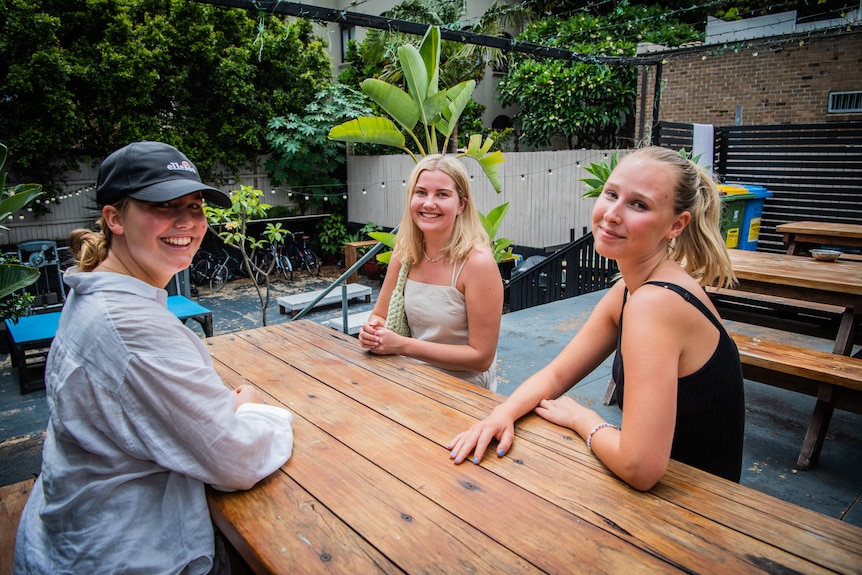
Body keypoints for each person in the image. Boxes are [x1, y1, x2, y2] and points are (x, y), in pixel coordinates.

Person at [14, 141, 295, 574]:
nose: (187, 222)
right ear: (114, 218)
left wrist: (223, 410)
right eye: (164, 206)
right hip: (127, 552)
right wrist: (251, 409)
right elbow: (234, 458)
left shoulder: (95, 293)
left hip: (72, 532)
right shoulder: (130, 326)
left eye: (195, 207)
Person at [448, 146, 745, 490]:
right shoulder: (631, 289)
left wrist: (581, 417)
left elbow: (639, 468)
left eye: (639, 204)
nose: (612, 214)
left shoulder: (656, 303)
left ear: (676, 225)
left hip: (701, 509)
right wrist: (502, 414)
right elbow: (558, 372)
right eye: (611, 194)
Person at [358, 154, 503, 391]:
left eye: (442, 194)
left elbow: (481, 357)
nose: (429, 203)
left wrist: (402, 346)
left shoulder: (477, 263)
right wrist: (372, 330)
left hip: (464, 392)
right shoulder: (404, 253)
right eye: (421, 192)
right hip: (410, 379)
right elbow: (380, 315)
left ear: (461, 205)